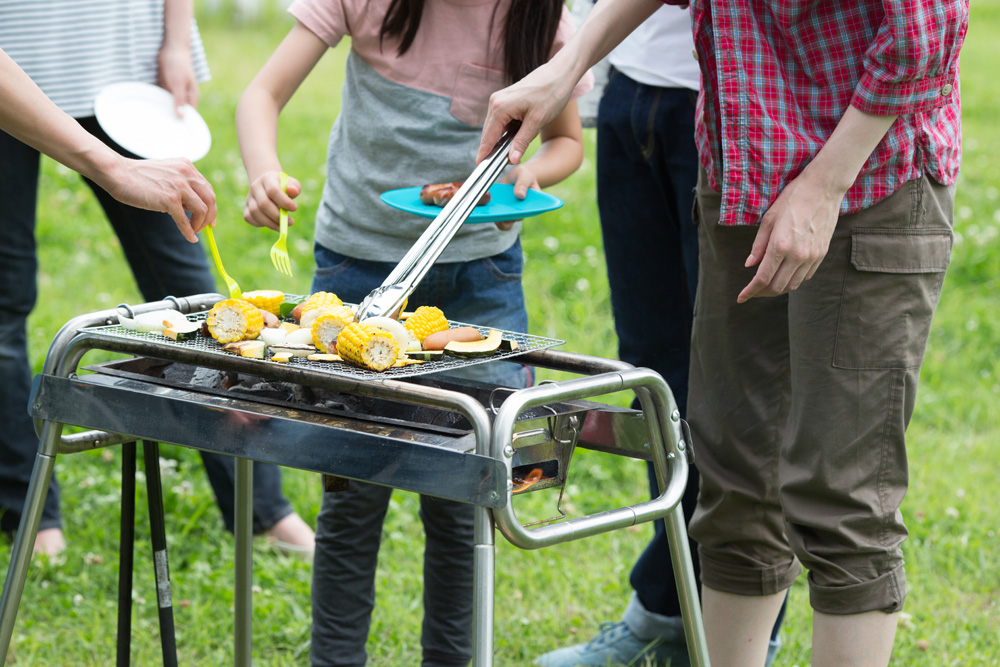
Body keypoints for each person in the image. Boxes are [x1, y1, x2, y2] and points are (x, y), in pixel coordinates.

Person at [478, 0, 968, 665]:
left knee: (841, 495)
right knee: (734, 479)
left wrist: (823, 187)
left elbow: (925, 31)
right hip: (741, 170)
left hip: (867, 183)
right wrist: (567, 66)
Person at [235, 0, 592, 663]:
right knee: (350, 491)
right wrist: (263, 170)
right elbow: (262, 93)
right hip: (355, 270)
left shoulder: (540, 18)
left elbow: (566, 142)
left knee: (461, 498)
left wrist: (528, 175)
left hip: (478, 280)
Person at [0, 0, 314, 557]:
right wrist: (113, 168)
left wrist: (175, 37)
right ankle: (26, 508)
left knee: (201, 303)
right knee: (4, 299)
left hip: (123, 68)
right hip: (11, 66)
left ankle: (259, 507)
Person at [535, 5, 783, 666]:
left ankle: (742, 618)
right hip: (631, 90)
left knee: (735, 392)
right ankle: (673, 610)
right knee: (655, 380)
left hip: (737, 96)